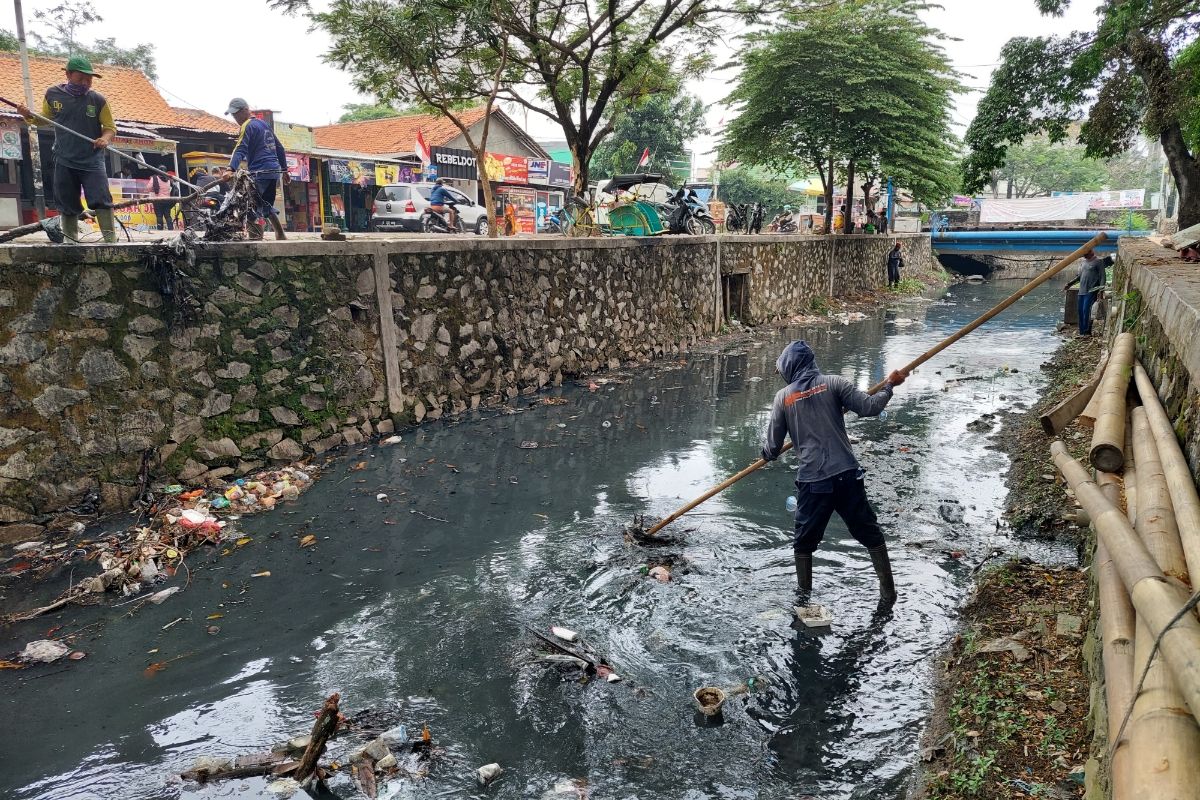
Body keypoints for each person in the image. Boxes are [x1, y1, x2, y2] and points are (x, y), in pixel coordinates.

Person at [761, 341, 907, 605]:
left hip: (813, 482)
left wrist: (766, 454)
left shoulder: (784, 398)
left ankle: (803, 600)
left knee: (803, 544)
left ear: (789, 369)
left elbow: (772, 448)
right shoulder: (835, 384)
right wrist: (889, 385)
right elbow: (871, 407)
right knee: (870, 534)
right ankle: (889, 595)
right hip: (847, 476)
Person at [15, 56, 117, 243]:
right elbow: (44, 119)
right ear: (68, 74)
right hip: (64, 158)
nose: (86, 83)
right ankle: (71, 241)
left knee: (101, 199)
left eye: (89, 79)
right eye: (81, 78)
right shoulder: (53, 95)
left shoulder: (98, 99)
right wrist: (28, 115)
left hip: (92, 160)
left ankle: (110, 241)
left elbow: (110, 127)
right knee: (67, 201)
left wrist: (104, 138)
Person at [222, 97, 288, 240]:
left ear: (246, 110)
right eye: (233, 115)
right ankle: (280, 234)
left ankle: (255, 239)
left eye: (237, 114)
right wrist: (284, 170)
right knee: (264, 203)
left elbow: (240, 148)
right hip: (274, 172)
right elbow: (279, 148)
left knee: (250, 205)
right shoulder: (263, 125)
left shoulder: (247, 125)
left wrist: (230, 169)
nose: (236, 118)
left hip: (261, 171)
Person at [1064, 249, 1113, 337]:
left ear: (1091, 252)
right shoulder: (1083, 263)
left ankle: (1087, 332)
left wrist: (1101, 290)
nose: (1084, 255)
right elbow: (1079, 277)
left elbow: (1102, 277)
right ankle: (1082, 332)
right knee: (1080, 312)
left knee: (1086, 311)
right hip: (1081, 291)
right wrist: (1069, 284)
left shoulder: (1098, 262)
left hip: (1091, 291)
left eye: (1085, 253)